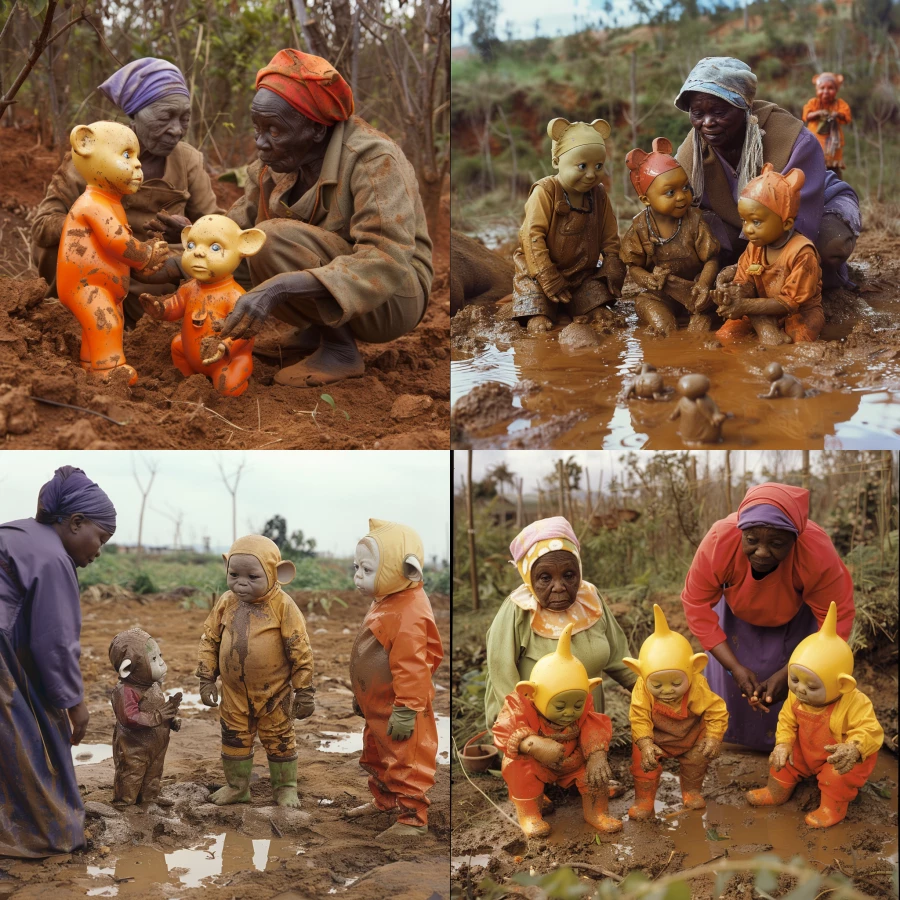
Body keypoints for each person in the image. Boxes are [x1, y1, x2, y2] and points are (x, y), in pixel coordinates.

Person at [218, 49, 433, 388]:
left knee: (269, 240)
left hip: (394, 295)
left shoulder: (372, 159)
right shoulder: (276, 162)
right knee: (238, 249)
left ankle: (340, 349)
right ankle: (313, 333)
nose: (260, 142)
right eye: (257, 128)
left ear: (316, 131)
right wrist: (185, 246)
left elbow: (386, 258)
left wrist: (280, 287)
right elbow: (233, 230)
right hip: (347, 283)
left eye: (274, 130)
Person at [30, 57, 222, 325]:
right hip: (95, 271)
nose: (177, 130)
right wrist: (99, 231)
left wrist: (189, 232)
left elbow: (217, 228)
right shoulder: (94, 155)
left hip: (154, 277)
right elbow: (42, 225)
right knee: (54, 245)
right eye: (166, 117)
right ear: (134, 115)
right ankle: (67, 320)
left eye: (184, 118)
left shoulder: (188, 161)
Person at [680, 482, 855, 752]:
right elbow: (696, 602)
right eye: (751, 541)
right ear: (741, 532)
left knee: (801, 691)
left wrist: (792, 674)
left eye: (776, 543)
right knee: (733, 691)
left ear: (795, 539)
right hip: (734, 617)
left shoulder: (816, 551)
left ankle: (794, 746)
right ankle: (732, 743)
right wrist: (734, 668)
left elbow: (837, 617)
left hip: (796, 619)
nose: (762, 552)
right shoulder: (720, 540)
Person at [0, 466, 116, 857]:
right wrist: (75, 704)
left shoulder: (16, 534)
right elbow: (55, 643)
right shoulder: (52, 558)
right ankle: (44, 833)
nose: (99, 551)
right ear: (74, 522)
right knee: (26, 741)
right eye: (100, 537)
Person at [673, 56, 861, 290]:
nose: (707, 123)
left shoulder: (793, 139)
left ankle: (829, 280)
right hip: (747, 221)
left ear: (745, 106)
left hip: (816, 207)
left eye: (720, 112)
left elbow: (799, 222)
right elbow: (670, 206)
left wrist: (742, 269)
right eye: (697, 114)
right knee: (703, 247)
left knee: (822, 249)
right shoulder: (693, 150)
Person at [484, 516, 637, 733]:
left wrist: (650, 692)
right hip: (534, 733)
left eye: (568, 575)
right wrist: (525, 739)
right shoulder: (519, 610)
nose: (559, 587)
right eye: (545, 578)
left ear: (579, 571)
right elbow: (503, 683)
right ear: (529, 577)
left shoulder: (590, 600)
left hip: (589, 731)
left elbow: (619, 658)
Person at [802, 73, 852, 177]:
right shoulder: (813, 103)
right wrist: (818, 113)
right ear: (817, 90)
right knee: (814, 171)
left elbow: (847, 116)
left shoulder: (839, 104)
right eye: (822, 88)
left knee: (833, 174)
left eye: (830, 88)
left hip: (833, 148)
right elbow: (806, 115)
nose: (826, 91)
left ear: (836, 90)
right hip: (815, 143)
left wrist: (837, 114)